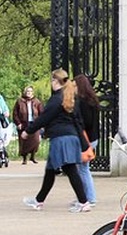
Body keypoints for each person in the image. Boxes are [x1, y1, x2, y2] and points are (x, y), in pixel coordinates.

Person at [21, 69, 90, 212]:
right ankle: (39, 200)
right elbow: (78, 121)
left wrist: (28, 131)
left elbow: (44, 118)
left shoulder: (57, 99)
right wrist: (82, 142)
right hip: (71, 138)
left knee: (70, 169)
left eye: (52, 80)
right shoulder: (70, 97)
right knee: (50, 170)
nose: (51, 83)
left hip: (61, 139)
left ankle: (84, 202)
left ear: (55, 81)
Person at [74, 75, 100, 205]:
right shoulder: (92, 100)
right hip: (92, 137)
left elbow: (86, 122)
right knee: (82, 169)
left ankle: (89, 197)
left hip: (86, 139)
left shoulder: (83, 102)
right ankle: (84, 196)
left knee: (83, 170)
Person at [13, 86, 43, 164]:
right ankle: (24, 158)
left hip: (34, 123)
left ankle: (33, 156)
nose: (29, 93)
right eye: (27, 91)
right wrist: (18, 123)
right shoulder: (20, 101)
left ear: (33, 92)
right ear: (25, 92)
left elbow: (41, 113)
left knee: (35, 140)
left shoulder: (37, 102)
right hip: (23, 123)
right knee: (24, 141)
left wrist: (41, 123)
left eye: (30, 91)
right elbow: (15, 113)